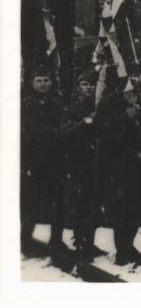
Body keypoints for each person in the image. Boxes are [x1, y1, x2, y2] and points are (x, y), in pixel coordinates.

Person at [95, 78, 141, 267]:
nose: (133, 95)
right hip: (116, 168)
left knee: (134, 210)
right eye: (129, 92)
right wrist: (126, 117)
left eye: (135, 92)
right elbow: (104, 132)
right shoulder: (108, 106)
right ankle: (122, 250)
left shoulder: (140, 105)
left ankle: (128, 245)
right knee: (121, 211)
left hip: (136, 166)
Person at [60, 70, 106, 260]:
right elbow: (66, 132)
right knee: (81, 203)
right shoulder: (72, 109)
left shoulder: (100, 106)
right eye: (85, 84)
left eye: (92, 84)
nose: (89, 88)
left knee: (93, 203)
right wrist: (86, 121)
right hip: (79, 162)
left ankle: (89, 241)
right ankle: (80, 242)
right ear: (78, 88)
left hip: (96, 161)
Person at [20, 67, 65, 255]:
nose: (42, 84)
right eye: (39, 80)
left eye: (46, 80)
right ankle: (26, 242)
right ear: (32, 83)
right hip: (34, 160)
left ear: (52, 82)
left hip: (55, 159)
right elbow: (29, 130)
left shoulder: (57, 103)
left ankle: (56, 240)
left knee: (58, 202)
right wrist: (55, 132)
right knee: (32, 202)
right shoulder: (25, 105)